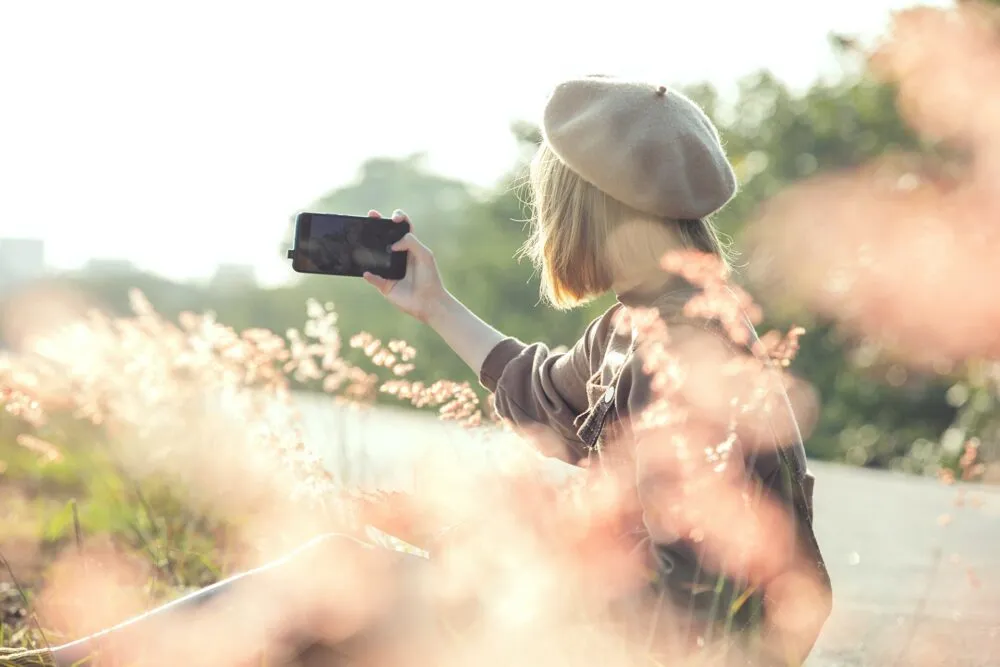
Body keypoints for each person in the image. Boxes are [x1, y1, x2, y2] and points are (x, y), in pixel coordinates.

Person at [29, 75, 830, 667]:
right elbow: (541, 390)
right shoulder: (642, 321)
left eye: (549, 195)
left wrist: (495, 544)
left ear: (583, 206)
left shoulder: (686, 355)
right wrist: (434, 302)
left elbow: (691, 597)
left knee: (337, 589)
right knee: (338, 577)